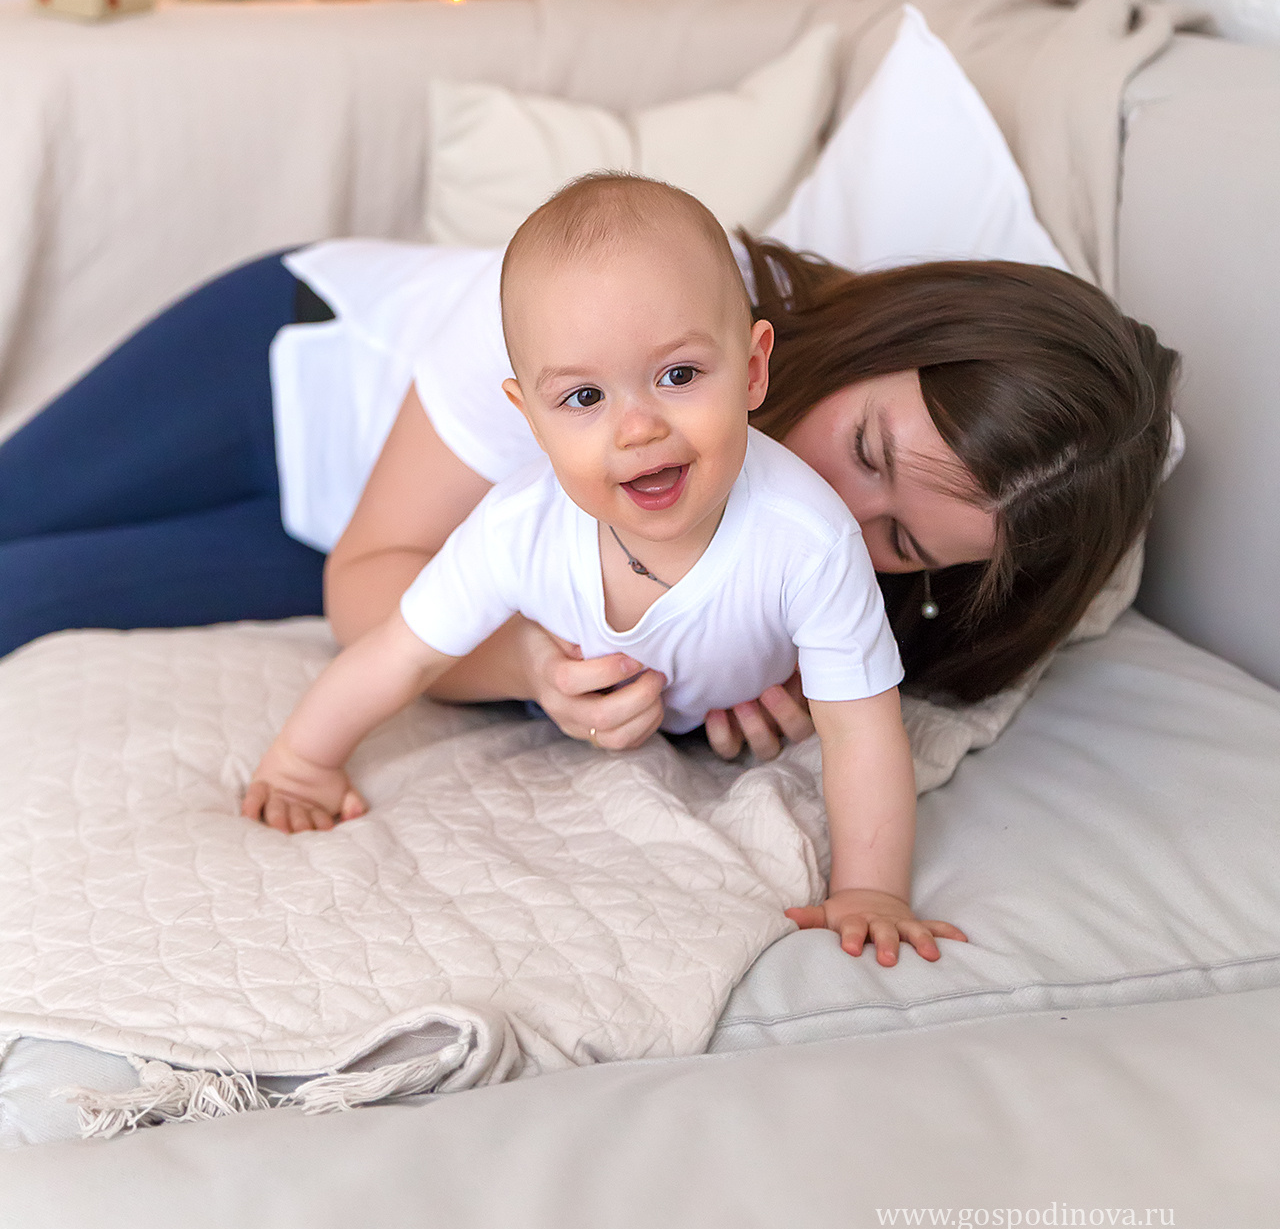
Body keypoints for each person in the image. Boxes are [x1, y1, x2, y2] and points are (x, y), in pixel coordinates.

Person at [0, 202, 1177, 763]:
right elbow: (373, 582)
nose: (837, 503)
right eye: (865, 450)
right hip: (283, 374)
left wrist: (711, 673)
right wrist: (526, 668)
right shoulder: (646, 310)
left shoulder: (809, 572)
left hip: (318, 541)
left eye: (899, 543)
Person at [243, 175, 969, 968]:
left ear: (754, 368)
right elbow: (398, 653)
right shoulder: (519, 527)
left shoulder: (811, 540)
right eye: (584, 396)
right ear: (530, 418)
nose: (637, 428)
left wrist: (870, 890)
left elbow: (862, 728)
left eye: (679, 376)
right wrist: (302, 762)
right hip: (308, 341)